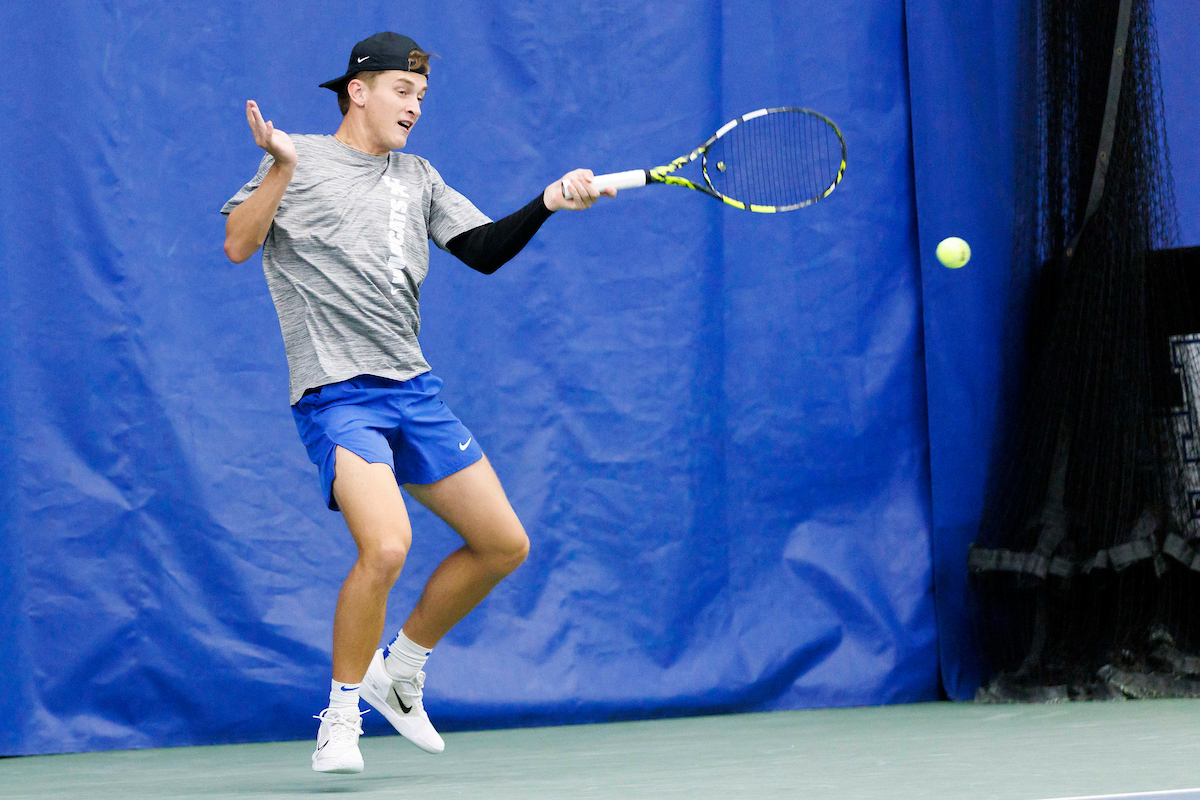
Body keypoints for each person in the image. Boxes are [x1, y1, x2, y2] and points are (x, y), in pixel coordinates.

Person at [221, 31, 615, 774]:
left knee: (504, 544)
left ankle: (399, 671)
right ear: (358, 89)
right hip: (338, 395)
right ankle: (340, 718)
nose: (414, 107)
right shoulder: (296, 159)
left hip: (413, 390)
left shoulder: (419, 176)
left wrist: (549, 202)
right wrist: (281, 166)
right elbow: (240, 244)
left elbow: (484, 249)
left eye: (422, 97)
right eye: (403, 91)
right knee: (388, 545)